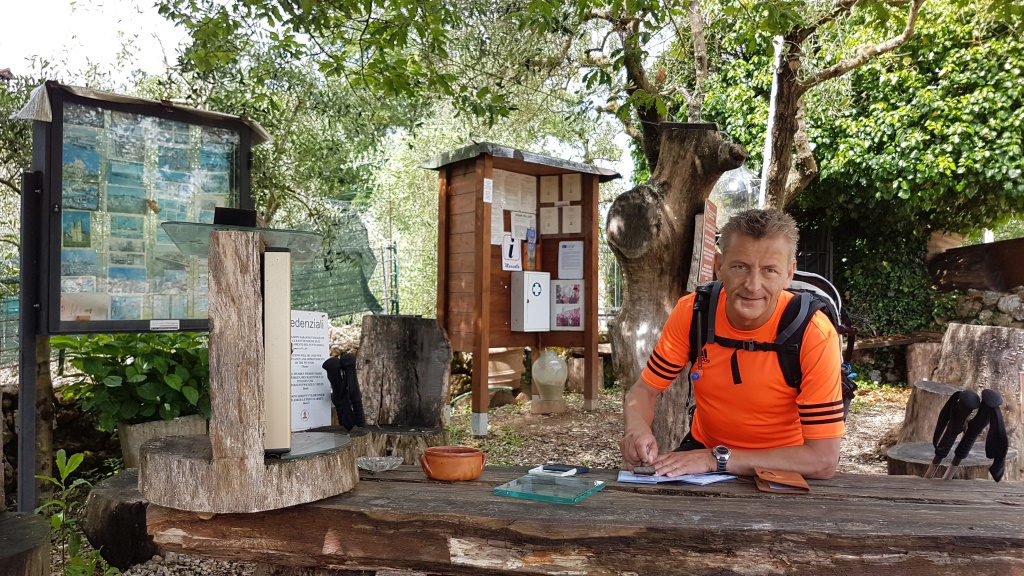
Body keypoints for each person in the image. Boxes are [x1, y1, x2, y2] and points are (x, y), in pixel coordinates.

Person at [619, 209, 844, 480]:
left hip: (784, 461)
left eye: (769, 270)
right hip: (705, 450)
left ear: (788, 274)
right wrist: (637, 430)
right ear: (719, 266)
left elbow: (823, 461)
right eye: (740, 267)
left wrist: (715, 459)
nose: (753, 285)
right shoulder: (695, 313)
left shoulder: (813, 332)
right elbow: (643, 391)